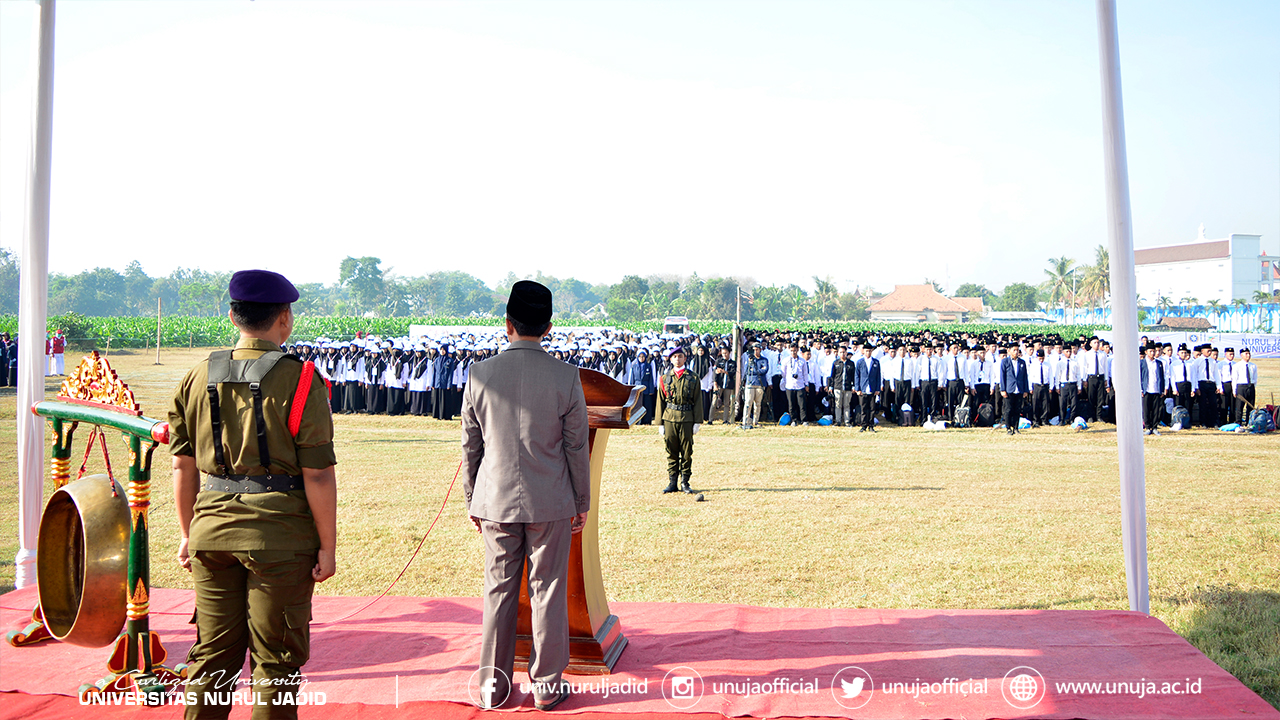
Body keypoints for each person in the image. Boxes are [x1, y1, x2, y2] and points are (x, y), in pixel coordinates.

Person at [169, 269, 337, 720]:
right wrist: (328, 546)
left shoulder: (196, 375)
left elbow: (181, 465)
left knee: (212, 658)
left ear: (232, 315)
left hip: (211, 531)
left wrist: (189, 533)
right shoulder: (302, 380)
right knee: (275, 663)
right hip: (279, 538)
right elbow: (318, 474)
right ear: (285, 318)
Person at [460, 280, 590, 713]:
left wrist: (471, 498)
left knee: (498, 590)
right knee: (547, 590)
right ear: (548, 327)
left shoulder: (480, 373)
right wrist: (582, 501)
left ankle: (492, 688)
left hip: (494, 499)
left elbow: (471, 444)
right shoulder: (565, 376)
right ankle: (546, 687)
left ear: (507, 325)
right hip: (550, 500)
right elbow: (575, 447)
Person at [656, 346, 703, 493]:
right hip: (669, 418)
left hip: (687, 418)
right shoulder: (664, 378)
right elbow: (660, 401)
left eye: (680, 356)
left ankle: (685, 482)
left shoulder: (693, 377)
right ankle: (672, 483)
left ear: (685, 358)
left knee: (687, 452)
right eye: (674, 357)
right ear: (670, 359)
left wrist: (697, 422)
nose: (677, 359)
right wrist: (660, 423)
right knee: (671, 451)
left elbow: (698, 401)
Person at [1000, 345, 1029, 435]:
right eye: (1014, 350)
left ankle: (1016, 428)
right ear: (1009, 351)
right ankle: (1008, 427)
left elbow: (1025, 377)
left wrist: (1025, 390)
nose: (1016, 352)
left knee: (1017, 409)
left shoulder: (1022, 362)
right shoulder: (1005, 362)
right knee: (1008, 410)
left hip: (1019, 389)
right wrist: (1003, 389)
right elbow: (1002, 376)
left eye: (1017, 350)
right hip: (1009, 389)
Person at [852, 343, 881, 432]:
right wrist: (857, 388)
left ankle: (871, 425)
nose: (868, 353)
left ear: (872, 351)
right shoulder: (860, 362)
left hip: (872, 388)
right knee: (863, 408)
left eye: (869, 351)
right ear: (864, 351)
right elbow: (857, 376)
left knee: (872, 408)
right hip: (863, 388)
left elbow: (878, 376)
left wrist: (878, 389)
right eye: (866, 351)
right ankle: (864, 425)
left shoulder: (876, 362)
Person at [779, 344, 809, 425]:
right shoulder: (786, 360)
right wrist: (786, 381)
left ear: (797, 350)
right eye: (791, 351)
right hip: (790, 385)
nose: (793, 352)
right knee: (791, 405)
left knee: (802, 404)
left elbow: (805, 373)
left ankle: (804, 420)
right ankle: (793, 420)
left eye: (795, 351)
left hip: (800, 385)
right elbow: (783, 373)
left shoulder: (802, 361)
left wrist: (806, 384)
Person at [741, 343, 769, 429]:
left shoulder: (764, 360)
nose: (755, 351)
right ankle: (745, 420)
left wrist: (756, 370)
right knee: (748, 402)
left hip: (760, 384)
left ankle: (755, 421)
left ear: (760, 350)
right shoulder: (749, 360)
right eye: (754, 350)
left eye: (757, 349)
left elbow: (765, 370)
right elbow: (747, 371)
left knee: (758, 403)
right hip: (750, 383)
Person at [1139, 343, 1165, 436]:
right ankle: (1147, 427)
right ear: (1146, 352)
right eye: (1150, 351)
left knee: (1156, 410)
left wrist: (1162, 389)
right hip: (1146, 389)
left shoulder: (1159, 363)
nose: (1153, 353)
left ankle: (1154, 427)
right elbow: (1139, 377)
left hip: (1156, 389)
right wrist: (1141, 389)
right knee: (1146, 409)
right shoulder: (1141, 363)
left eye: (1154, 351)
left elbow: (1162, 377)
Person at [828, 345, 856, 427]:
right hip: (838, 386)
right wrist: (831, 387)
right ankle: (838, 421)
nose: (842, 354)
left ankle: (847, 421)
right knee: (838, 405)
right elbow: (832, 376)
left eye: (844, 352)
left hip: (848, 387)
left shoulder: (851, 363)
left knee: (847, 405)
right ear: (838, 353)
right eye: (840, 352)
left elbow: (853, 376)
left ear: (846, 353)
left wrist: (853, 386)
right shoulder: (836, 363)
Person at [1232, 348, 1258, 422]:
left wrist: (1253, 386)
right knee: (1239, 406)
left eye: (1249, 354)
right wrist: (1234, 390)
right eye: (1246, 354)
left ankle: (1249, 422)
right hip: (1241, 386)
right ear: (1241, 355)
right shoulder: (1237, 366)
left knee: (1250, 406)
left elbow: (1255, 378)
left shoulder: (1253, 366)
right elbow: (1234, 378)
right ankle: (1238, 422)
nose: (1248, 355)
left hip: (1250, 386)